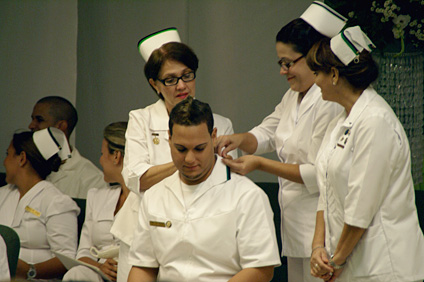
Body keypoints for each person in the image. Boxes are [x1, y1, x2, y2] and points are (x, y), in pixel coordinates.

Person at [215, 2, 345, 282]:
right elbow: (267, 132)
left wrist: (261, 164)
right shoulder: (293, 96)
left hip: (322, 227)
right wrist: (237, 138)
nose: (283, 71)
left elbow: (317, 173)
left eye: (289, 63)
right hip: (296, 225)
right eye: (280, 63)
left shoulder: (330, 102)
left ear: (313, 57)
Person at [110, 27, 236, 282]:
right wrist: (193, 158)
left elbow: (227, 184)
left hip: (198, 236)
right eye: (170, 79)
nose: (182, 86)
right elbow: (137, 180)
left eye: (187, 75)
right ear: (154, 84)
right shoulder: (141, 119)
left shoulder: (221, 125)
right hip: (141, 234)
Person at [306, 26, 424, 282]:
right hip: (347, 262)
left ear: (335, 74)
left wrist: (336, 261)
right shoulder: (339, 121)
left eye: (317, 73)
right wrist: (318, 247)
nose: (315, 82)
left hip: (383, 266)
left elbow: (360, 209)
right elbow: (325, 191)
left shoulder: (375, 121)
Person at [127, 96, 280, 282]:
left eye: (199, 149)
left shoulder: (247, 196)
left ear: (213, 136)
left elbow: (261, 269)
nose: (190, 159)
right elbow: (143, 267)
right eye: (181, 149)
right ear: (169, 138)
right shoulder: (154, 196)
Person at [0, 127, 80, 280]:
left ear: (22, 158)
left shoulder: (56, 202)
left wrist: (30, 270)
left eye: (7, 155)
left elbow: (67, 259)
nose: (4, 162)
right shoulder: (3, 194)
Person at [63, 122, 131, 282]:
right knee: (75, 274)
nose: (100, 160)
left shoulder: (149, 199)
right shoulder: (97, 196)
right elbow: (83, 253)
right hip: (97, 274)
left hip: (131, 274)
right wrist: (100, 267)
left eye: (102, 154)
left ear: (116, 156)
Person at [29, 96, 107, 199]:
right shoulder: (25, 165)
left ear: (61, 126)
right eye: (32, 119)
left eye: (39, 120)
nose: (31, 125)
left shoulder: (91, 179)